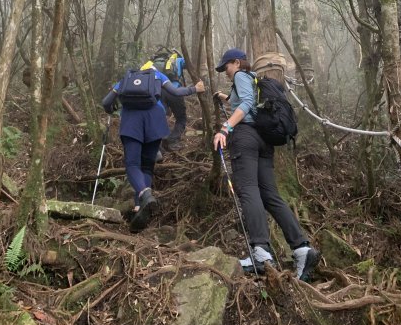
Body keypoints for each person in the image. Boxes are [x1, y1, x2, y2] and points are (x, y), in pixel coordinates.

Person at [213, 48, 320, 281]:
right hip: (263, 141)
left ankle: (260, 253)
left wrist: (225, 128)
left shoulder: (241, 76)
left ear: (236, 63)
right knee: (270, 195)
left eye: (226, 67)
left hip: (245, 138)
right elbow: (248, 102)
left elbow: (247, 103)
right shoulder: (254, 80)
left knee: (248, 190)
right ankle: (301, 248)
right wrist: (225, 98)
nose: (226, 72)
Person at [102, 67, 205, 232]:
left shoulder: (127, 78)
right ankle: (138, 209)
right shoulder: (158, 75)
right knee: (147, 166)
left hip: (131, 122)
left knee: (132, 165)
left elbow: (106, 102)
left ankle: (144, 193)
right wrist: (195, 88)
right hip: (155, 121)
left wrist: (111, 110)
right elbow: (176, 92)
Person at [141, 50, 188, 151]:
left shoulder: (151, 64)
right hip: (175, 90)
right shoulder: (176, 59)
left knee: (160, 117)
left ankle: (158, 145)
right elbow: (188, 64)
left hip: (159, 91)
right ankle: (172, 141)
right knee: (181, 118)